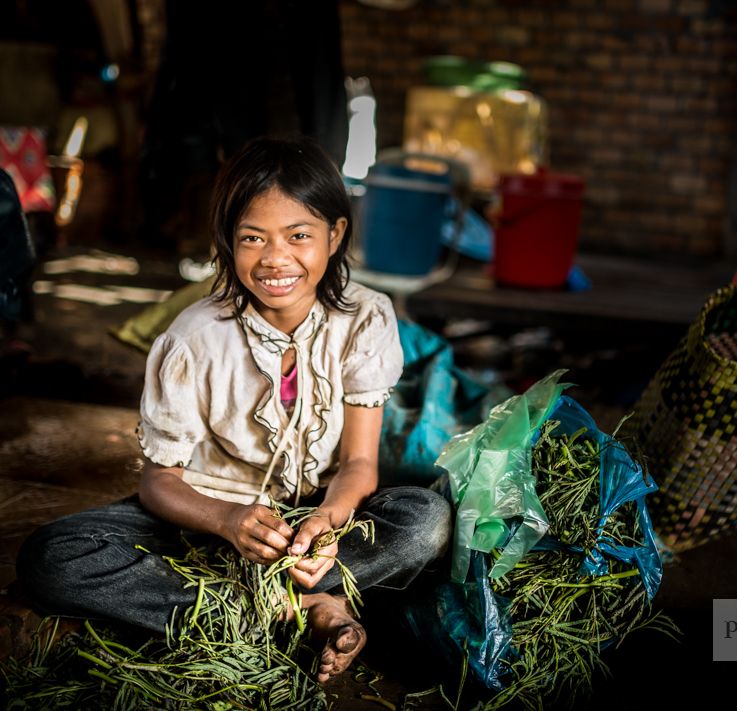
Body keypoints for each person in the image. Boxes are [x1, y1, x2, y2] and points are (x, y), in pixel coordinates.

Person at [15, 135, 452, 680]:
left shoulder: (366, 318)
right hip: (204, 519)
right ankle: (292, 609)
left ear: (335, 235)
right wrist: (226, 519)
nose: (276, 259)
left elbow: (359, 466)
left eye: (299, 236)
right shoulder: (193, 338)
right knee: (52, 557)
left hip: (313, 526)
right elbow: (159, 483)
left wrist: (325, 523)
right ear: (226, 239)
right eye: (253, 237)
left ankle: (271, 603)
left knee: (426, 521)